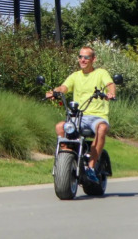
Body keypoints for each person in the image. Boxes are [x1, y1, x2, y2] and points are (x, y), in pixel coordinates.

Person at [45, 46, 116, 183]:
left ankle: (90, 167)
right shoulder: (75, 76)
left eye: (86, 57)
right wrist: (54, 91)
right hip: (78, 117)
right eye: (80, 57)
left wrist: (111, 93)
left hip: (97, 116)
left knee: (101, 129)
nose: (82, 60)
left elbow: (110, 84)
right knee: (60, 126)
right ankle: (65, 161)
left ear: (93, 59)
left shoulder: (101, 73)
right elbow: (64, 87)